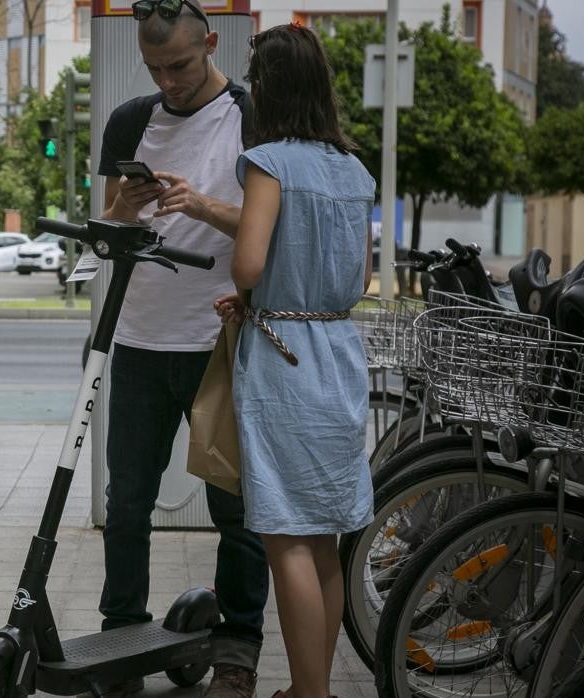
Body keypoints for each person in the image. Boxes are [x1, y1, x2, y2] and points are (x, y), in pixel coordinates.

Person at [95, 2, 269, 696]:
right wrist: (123, 211)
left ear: (211, 44)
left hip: (219, 339)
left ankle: (238, 649)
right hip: (139, 335)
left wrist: (199, 205)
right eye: (155, 68)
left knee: (236, 508)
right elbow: (108, 224)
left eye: (181, 66)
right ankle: (120, 639)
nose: (168, 81)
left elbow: (267, 222)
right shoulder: (132, 119)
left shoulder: (252, 116)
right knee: (127, 500)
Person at [213, 23, 375, 698]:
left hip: (282, 359)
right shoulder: (353, 168)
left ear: (270, 88)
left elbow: (249, 260)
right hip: (337, 349)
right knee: (327, 536)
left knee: (286, 539)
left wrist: (253, 296)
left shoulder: (269, 162)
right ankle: (316, 689)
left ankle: (308, 694)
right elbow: (359, 280)